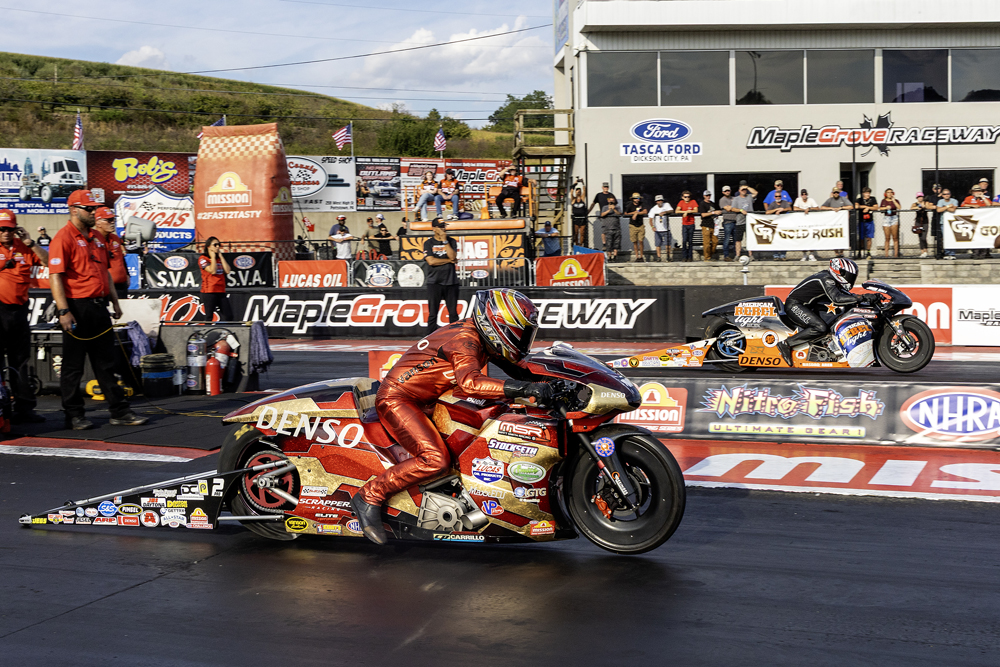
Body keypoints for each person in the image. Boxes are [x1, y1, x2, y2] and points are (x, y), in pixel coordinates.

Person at [350, 288, 549, 545]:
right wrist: (524, 389)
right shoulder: (465, 341)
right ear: (498, 326)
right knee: (436, 460)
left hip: (430, 399)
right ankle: (369, 496)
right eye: (519, 332)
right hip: (398, 399)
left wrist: (558, 380)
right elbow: (470, 383)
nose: (522, 339)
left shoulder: (482, 337)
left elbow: (521, 369)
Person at [48, 190, 146, 430]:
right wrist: (63, 311)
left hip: (99, 306)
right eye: (89, 208)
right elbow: (55, 276)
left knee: (106, 363)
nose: (93, 212)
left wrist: (115, 301)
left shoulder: (97, 238)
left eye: (94, 208)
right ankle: (74, 414)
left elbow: (106, 273)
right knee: (73, 366)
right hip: (77, 307)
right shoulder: (63, 238)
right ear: (74, 210)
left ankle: (119, 411)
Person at [776, 258, 870, 367]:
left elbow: (848, 296)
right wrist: (862, 297)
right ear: (840, 272)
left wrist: (868, 299)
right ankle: (786, 343)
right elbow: (837, 298)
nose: (850, 279)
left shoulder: (832, 280)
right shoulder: (827, 279)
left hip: (807, 306)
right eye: (849, 276)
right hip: (794, 305)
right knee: (820, 327)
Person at [0, 210, 47, 423]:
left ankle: (25, 408)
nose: (6, 233)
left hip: (19, 310)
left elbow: (48, 262)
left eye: (10, 229)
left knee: (20, 361)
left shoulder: (24, 247)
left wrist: (30, 243)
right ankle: (2, 408)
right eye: (2, 229)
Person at [424, 219, 459, 334]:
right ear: (434, 228)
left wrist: (445, 241)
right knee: (433, 313)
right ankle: (429, 337)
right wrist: (448, 261)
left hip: (451, 282)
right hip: (434, 282)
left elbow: (453, 256)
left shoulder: (451, 241)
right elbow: (431, 261)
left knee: (453, 313)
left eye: (444, 226)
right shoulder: (428, 243)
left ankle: (455, 335)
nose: (443, 228)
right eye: (440, 226)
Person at [94, 208, 129, 297]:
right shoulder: (93, 240)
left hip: (121, 286)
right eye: (109, 220)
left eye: (113, 219)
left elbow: (121, 258)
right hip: (104, 287)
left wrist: (127, 275)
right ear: (98, 223)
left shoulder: (115, 238)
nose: (113, 222)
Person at [198, 237, 232, 321]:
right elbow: (212, 271)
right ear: (209, 246)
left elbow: (227, 271)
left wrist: (221, 256)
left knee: (229, 315)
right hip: (209, 291)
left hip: (220, 290)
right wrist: (212, 258)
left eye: (218, 245)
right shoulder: (203, 259)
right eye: (215, 245)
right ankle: (207, 329)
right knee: (209, 316)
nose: (217, 247)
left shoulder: (219, 258)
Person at [821, 187, 854, 258]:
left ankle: (841, 252)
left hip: (842, 222)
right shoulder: (830, 200)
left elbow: (851, 206)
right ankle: (836, 253)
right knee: (834, 236)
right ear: (832, 193)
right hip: (833, 222)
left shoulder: (843, 199)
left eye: (837, 192)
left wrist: (841, 208)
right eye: (834, 192)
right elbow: (822, 207)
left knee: (843, 236)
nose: (836, 194)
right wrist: (832, 208)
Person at [962, 185, 993, 258]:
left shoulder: (985, 198)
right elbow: (963, 205)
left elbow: (989, 205)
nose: (977, 192)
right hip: (973, 221)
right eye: (975, 191)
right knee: (975, 237)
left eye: (979, 191)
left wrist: (983, 197)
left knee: (984, 236)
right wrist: (972, 205)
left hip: (984, 221)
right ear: (972, 192)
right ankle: (975, 253)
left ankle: (984, 253)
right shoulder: (969, 198)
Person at [764, 180, 792, 260]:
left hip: (784, 222)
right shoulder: (772, 202)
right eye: (776, 196)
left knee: (784, 238)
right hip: (775, 223)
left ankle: (783, 255)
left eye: (779, 196)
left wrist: (782, 209)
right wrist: (775, 210)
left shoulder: (784, 201)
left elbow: (790, 207)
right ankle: (776, 255)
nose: (778, 198)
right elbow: (767, 211)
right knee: (775, 239)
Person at [730, 181, 757, 259]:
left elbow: (755, 192)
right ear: (739, 190)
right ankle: (737, 255)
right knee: (738, 239)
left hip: (749, 221)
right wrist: (741, 210)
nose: (744, 191)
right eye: (742, 190)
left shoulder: (749, 197)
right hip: (740, 221)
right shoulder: (736, 199)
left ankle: (750, 255)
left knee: (750, 239)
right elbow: (733, 209)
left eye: (745, 190)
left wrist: (747, 187)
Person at [793, 189, 820, 262]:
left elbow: (817, 208)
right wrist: (804, 210)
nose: (804, 195)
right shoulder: (798, 200)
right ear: (801, 195)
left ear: (807, 194)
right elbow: (795, 208)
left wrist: (809, 208)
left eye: (805, 194)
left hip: (810, 223)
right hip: (801, 223)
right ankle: (804, 254)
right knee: (802, 238)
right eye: (802, 194)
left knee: (812, 237)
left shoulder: (811, 200)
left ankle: (811, 254)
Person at [648, 194, 673, 262]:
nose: (660, 202)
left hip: (666, 229)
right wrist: (652, 226)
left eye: (661, 200)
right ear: (656, 202)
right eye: (658, 200)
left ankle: (668, 256)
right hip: (658, 230)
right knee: (658, 244)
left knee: (668, 244)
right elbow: (650, 219)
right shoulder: (653, 209)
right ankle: (659, 257)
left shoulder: (666, 205)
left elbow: (671, 210)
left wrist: (665, 212)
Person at [624, 192, 648, 262]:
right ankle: (637, 256)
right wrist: (634, 213)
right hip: (633, 225)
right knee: (634, 241)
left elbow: (645, 211)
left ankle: (641, 256)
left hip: (640, 225)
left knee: (641, 241)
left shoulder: (642, 204)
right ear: (633, 199)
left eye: (638, 198)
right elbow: (625, 213)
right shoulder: (630, 205)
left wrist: (637, 213)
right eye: (635, 198)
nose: (637, 200)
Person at [936, 188, 959, 260]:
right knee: (945, 238)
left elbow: (953, 209)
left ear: (950, 194)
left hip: (952, 222)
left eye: (948, 194)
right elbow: (938, 210)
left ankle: (952, 253)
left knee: (952, 237)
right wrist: (948, 206)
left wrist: (944, 208)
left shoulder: (954, 201)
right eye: (945, 194)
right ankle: (947, 253)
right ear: (942, 195)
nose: (946, 195)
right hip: (943, 222)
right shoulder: (940, 201)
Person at [676, 191, 699, 261]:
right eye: (685, 197)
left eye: (688, 197)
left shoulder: (693, 202)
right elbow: (677, 211)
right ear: (682, 197)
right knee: (684, 241)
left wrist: (688, 211)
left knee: (690, 241)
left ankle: (690, 257)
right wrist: (685, 212)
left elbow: (696, 210)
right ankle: (684, 257)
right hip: (684, 224)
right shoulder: (681, 202)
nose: (687, 198)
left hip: (691, 224)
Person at [599, 193, 622, 261]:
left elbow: (620, 214)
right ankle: (609, 256)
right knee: (609, 243)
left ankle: (615, 256)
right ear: (608, 201)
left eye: (613, 201)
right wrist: (609, 210)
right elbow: (602, 214)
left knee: (616, 243)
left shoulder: (617, 207)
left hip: (616, 227)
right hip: (608, 228)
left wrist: (614, 209)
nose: (611, 202)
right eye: (610, 201)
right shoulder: (605, 207)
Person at [880, 188, 901, 258]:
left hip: (894, 218)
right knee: (887, 237)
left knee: (895, 237)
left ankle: (896, 254)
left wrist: (894, 201)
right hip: (887, 218)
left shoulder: (896, 200)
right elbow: (880, 208)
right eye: (888, 192)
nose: (890, 194)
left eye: (891, 192)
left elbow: (899, 207)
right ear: (885, 194)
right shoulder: (883, 201)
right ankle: (886, 254)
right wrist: (886, 208)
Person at [717, 185, 737, 261]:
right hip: (727, 222)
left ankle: (736, 255)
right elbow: (728, 209)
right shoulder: (722, 200)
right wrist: (734, 208)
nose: (727, 192)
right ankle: (726, 255)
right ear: (723, 192)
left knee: (736, 240)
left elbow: (738, 207)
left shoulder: (734, 198)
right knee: (727, 239)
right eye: (725, 191)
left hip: (736, 221)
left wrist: (732, 207)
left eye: (728, 190)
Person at [698, 190, 719, 261]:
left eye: (709, 195)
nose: (708, 197)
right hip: (706, 225)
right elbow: (703, 214)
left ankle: (711, 254)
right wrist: (713, 213)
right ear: (704, 196)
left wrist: (717, 214)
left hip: (713, 225)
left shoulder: (712, 204)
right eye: (706, 195)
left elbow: (717, 211)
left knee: (715, 241)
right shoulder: (702, 204)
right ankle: (707, 257)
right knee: (706, 243)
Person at [911, 192, 932, 258]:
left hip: (925, 222)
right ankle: (922, 251)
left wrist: (924, 206)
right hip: (918, 222)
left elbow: (929, 207)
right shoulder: (915, 204)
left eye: (921, 197)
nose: (920, 198)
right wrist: (917, 207)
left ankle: (925, 251)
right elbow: (911, 208)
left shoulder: (926, 203)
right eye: (919, 197)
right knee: (920, 237)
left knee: (924, 237)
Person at [569, 179, 588, 247]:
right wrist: (574, 184)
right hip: (576, 219)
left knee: (582, 233)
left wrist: (582, 183)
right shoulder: (574, 199)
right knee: (576, 233)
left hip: (582, 218)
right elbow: (571, 192)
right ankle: (576, 244)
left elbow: (584, 191)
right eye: (577, 191)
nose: (578, 192)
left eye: (579, 191)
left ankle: (581, 244)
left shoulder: (582, 199)